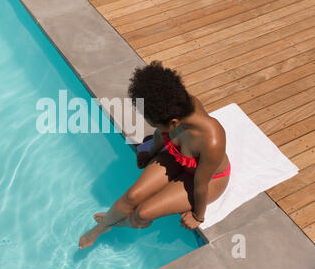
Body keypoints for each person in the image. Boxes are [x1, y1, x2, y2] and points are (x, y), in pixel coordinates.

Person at [79, 60, 231, 249]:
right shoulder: (176, 106)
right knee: (132, 196)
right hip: (179, 158)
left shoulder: (212, 140)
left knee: (142, 213)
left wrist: (197, 216)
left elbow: (200, 186)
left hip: (208, 179)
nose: (153, 127)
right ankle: (101, 229)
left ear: (174, 122)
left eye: (154, 123)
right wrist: (150, 153)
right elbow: (161, 133)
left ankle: (117, 223)